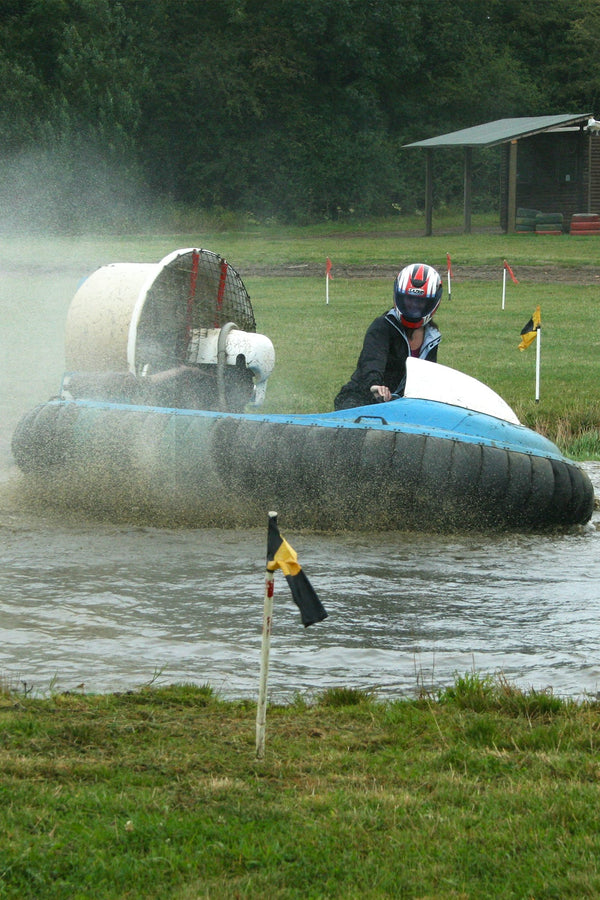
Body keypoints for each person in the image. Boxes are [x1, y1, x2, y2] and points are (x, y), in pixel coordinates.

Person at [333, 262, 442, 410]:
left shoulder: (431, 337)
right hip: (361, 398)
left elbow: (427, 378)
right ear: (399, 297)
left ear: (432, 303)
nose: (413, 306)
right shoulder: (383, 326)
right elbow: (372, 361)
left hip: (400, 404)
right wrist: (375, 385)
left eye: (420, 301)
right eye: (409, 299)